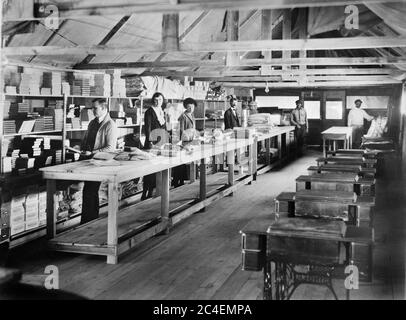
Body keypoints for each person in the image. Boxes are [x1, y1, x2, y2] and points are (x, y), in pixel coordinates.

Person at [80, 98, 118, 224]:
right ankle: (88, 222)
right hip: (89, 161)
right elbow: (86, 140)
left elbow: (110, 148)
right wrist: (81, 148)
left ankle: (89, 222)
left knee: (90, 191)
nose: (92, 110)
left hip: (100, 162)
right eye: (92, 108)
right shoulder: (92, 123)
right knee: (88, 191)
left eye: (95, 108)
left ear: (104, 108)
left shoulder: (110, 125)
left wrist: (92, 153)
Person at [142, 92, 167, 200]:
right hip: (152, 143)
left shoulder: (162, 112)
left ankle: (155, 192)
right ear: (153, 100)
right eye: (156, 100)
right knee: (150, 169)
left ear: (163, 101)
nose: (158, 102)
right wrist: (150, 142)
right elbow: (147, 128)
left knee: (158, 167)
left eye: (160, 100)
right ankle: (145, 192)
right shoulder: (149, 111)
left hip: (161, 142)